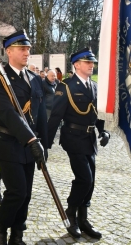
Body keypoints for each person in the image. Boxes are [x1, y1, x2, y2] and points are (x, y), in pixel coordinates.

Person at [0, 30, 47, 245]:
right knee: (17, 192)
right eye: (22, 48)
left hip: (30, 145)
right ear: (9, 51)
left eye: (28, 49)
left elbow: (39, 114)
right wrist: (32, 140)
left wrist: (43, 143)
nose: (27, 52)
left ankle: (17, 235)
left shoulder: (33, 78)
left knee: (27, 194)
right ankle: (0, 228)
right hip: (7, 142)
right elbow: (7, 114)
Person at [48, 48, 110, 239]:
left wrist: (103, 130)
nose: (92, 65)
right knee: (85, 178)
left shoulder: (94, 86)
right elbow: (56, 115)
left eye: (92, 63)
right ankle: (71, 214)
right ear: (76, 65)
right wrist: (46, 144)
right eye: (87, 62)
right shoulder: (65, 86)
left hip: (90, 139)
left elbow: (97, 113)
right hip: (73, 138)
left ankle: (83, 220)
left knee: (91, 181)